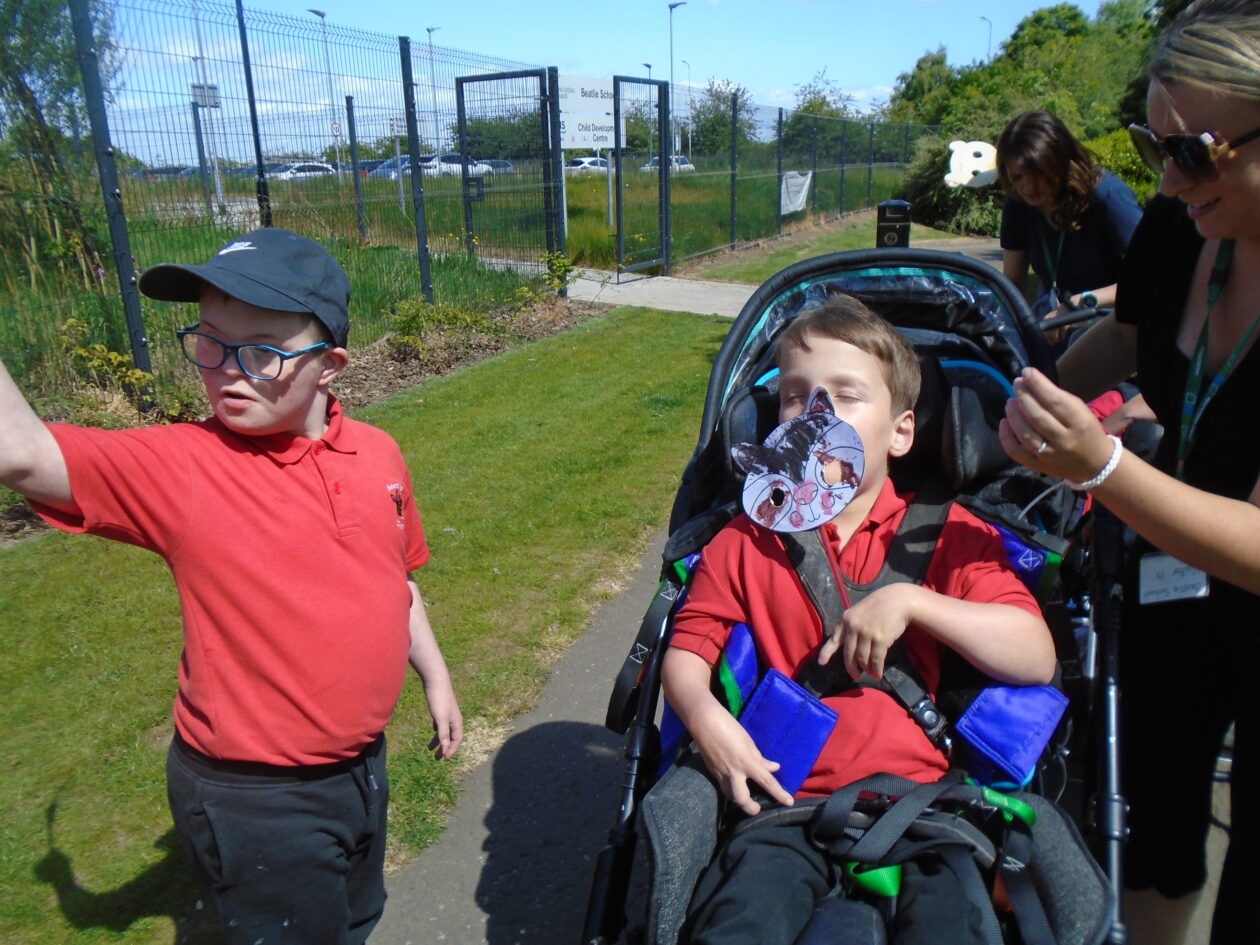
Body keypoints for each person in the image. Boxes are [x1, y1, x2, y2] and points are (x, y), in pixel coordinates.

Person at [0, 227, 463, 945]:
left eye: (261, 350)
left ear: (330, 365)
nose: (225, 372)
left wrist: (435, 676)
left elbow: (394, 579)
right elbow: (21, 454)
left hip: (361, 766)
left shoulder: (378, 453)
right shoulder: (184, 468)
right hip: (255, 798)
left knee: (357, 917)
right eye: (210, 343)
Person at [661, 297, 1056, 945]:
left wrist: (914, 603)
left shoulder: (948, 534)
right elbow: (686, 650)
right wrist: (706, 721)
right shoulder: (745, 541)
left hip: (923, 808)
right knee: (739, 926)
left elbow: (1035, 656)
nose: (816, 415)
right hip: (785, 807)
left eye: (845, 396)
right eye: (795, 398)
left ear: (901, 432)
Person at [1000, 3, 1260, 941]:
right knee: (1155, 822)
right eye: (1156, 149)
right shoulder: (1181, 227)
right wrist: (1019, 409)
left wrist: (1102, 464)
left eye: (1193, 151)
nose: (1169, 179)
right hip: (1176, 578)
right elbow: (1125, 334)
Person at [997, 110, 1143, 327]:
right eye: (1017, 177)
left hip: (1115, 319)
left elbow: (1150, 279)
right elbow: (1012, 284)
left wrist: (1081, 303)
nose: (1027, 186)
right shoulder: (1018, 205)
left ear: (1058, 162)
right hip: (1057, 314)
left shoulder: (1109, 197)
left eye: (1036, 174)